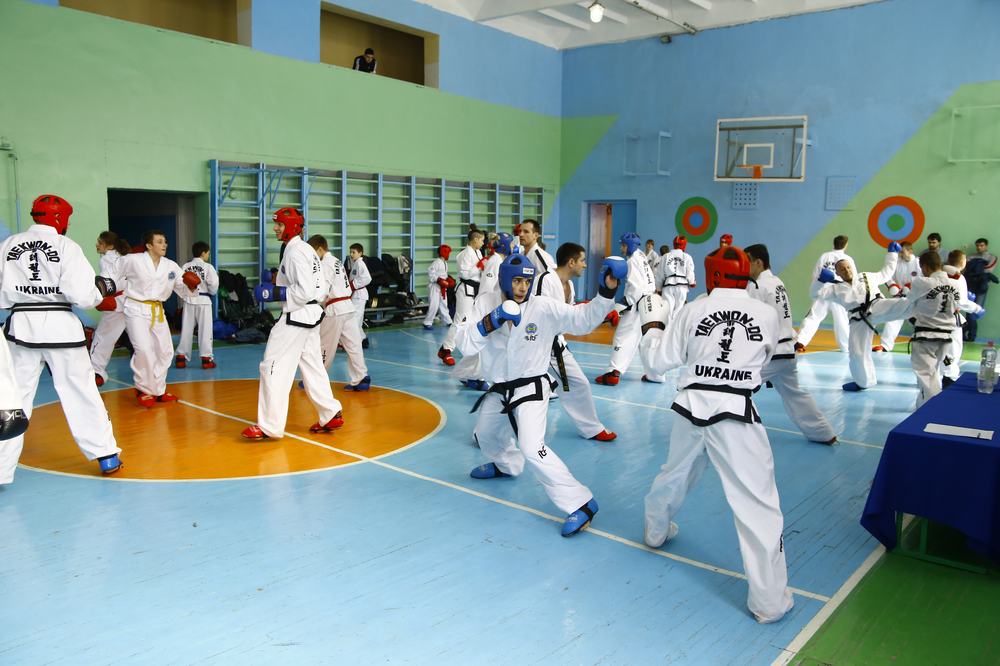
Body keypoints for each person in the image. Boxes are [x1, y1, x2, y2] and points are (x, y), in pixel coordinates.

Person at [636, 244, 793, 624]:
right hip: (736, 412)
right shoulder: (766, 313)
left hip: (691, 407)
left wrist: (652, 327)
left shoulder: (694, 309)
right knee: (757, 504)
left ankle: (655, 532)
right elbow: (765, 359)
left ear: (712, 275)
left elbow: (657, 362)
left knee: (675, 472)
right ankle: (770, 603)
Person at [456, 253, 627, 537]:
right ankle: (507, 465)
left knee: (532, 447)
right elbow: (464, 344)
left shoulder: (543, 307)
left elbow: (582, 320)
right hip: (500, 389)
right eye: (517, 281)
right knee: (485, 435)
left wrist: (606, 292)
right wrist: (489, 322)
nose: (523, 287)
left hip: (531, 387)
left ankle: (582, 503)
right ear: (504, 280)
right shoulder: (485, 303)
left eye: (527, 281)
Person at [0, 194, 121, 483]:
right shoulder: (65, 246)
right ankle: (106, 455)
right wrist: (101, 289)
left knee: (13, 399)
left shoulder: (8, 245)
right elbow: (82, 295)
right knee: (80, 390)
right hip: (61, 329)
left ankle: (1, 468)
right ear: (60, 218)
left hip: (20, 328)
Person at [241, 208, 344, 439]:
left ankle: (269, 425)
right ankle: (330, 413)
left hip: (296, 316)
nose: (275, 228)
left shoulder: (295, 251)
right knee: (312, 366)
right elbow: (315, 286)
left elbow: (304, 290)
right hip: (311, 315)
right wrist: (278, 279)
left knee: (272, 365)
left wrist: (274, 293)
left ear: (292, 226)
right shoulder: (304, 249)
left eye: (279, 224)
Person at [744, 244, 836, 444]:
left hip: (773, 354)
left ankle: (727, 434)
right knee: (794, 394)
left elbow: (749, 321)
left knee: (735, 388)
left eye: (747, 261)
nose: (744, 266)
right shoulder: (777, 282)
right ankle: (824, 433)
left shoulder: (757, 286)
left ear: (758, 262)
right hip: (788, 350)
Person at [533, 242, 616, 441]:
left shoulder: (569, 285)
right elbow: (538, 313)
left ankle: (591, 428)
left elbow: (568, 316)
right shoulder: (545, 280)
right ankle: (487, 432)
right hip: (537, 344)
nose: (585, 265)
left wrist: (597, 310)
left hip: (555, 344)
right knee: (518, 387)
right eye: (582, 260)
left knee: (578, 383)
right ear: (571, 262)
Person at [808, 242, 911, 391]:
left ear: (852, 267)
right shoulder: (835, 289)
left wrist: (892, 254)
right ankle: (863, 382)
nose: (847, 270)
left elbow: (887, 273)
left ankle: (929, 307)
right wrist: (820, 281)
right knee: (856, 351)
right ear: (837, 273)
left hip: (876, 305)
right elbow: (815, 294)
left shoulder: (866, 276)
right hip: (859, 318)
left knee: (902, 304)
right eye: (842, 269)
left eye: (848, 267)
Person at [113, 229, 195, 406]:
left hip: (157, 310)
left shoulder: (171, 266)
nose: (164, 245)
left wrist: (191, 286)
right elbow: (112, 274)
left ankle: (157, 390)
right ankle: (143, 389)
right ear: (149, 246)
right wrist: (103, 292)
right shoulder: (132, 260)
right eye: (159, 242)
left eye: (165, 242)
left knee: (165, 351)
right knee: (143, 349)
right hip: (135, 308)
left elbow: (183, 290)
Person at [307, 235, 370, 391]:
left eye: (313, 253)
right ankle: (361, 377)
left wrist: (312, 300)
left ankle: (315, 379)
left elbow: (323, 288)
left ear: (320, 250)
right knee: (354, 344)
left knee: (324, 346)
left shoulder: (324, 265)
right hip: (348, 307)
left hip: (334, 308)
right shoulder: (336, 261)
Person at [595, 232, 658, 385]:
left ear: (631, 246)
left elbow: (636, 290)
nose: (621, 248)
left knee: (622, 337)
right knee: (647, 341)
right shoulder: (641, 256)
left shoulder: (632, 261)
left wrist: (619, 307)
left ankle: (613, 372)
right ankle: (655, 374)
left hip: (638, 304)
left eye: (623, 246)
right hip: (651, 303)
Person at [906, 252, 967, 409]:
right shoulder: (956, 284)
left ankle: (932, 409)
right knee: (933, 374)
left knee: (927, 377)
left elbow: (910, 299)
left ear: (925, 267)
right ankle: (921, 407)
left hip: (926, 336)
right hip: (946, 337)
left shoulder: (922, 283)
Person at [795, 236, 856, 353]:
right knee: (842, 320)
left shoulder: (825, 256)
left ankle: (800, 341)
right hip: (840, 292)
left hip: (823, 291)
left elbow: (816, 274)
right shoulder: (848, 259)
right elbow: (853, 278)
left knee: (813, 316)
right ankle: (847, 347)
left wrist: (815, 289)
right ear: (845, 245)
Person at [441, 229, 486, 378]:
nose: (483, 243)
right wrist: (479, 266)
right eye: (482, 240)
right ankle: (446, 349)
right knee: (459, 320)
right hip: (466, 289)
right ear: (475, 239)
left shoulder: (478, 253)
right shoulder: (464, 254)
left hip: (476, 289)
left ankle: (468, 348)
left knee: (474, 320)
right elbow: (465, 274)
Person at [89, 231, 131, 387]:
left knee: (103, 337)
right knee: (141, 340)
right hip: (134, 302)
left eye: (100, 242)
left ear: (110, 245)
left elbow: (110, 283)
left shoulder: (106, 259)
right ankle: (151, 373)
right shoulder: (126, 256)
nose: (97, 244)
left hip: (117, 303)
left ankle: (96, 372)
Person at [940, 250, 984, 389]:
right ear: (963, 263)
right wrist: (976, 308)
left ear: (948, 261)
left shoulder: (939, 274)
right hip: (951, 317)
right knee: (953, 348)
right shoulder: (958, 277)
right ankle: (949, 377)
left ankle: (931, 377)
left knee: (936, 348)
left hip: (934, 316)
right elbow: (961, 301)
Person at [175, 241, 220, 370]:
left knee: (186, 329)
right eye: (208, 253)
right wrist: (211, 292)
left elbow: (180, 282)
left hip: (189, 299)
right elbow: (213, 285)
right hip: (204, 300)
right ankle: (206, 359)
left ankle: (180, 357)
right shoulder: (208, 267)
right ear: (203, 253)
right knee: (205, 330)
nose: (208, 256)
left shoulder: (185, 266)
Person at [874, 241, 919, 352]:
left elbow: (926, 278)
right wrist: (893, 286)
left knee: (920, 322)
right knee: (893, 318)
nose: (900, 255)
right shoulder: (897, 263)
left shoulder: (918, 263)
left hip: (918, 297)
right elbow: (888, 277)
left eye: (903, 252)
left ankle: (922, 345)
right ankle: (885, 345)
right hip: (902, 296)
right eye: (900, 253)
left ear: (910, 251)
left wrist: (914, 286)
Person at [963, 238, 998, 342]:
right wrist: (979, 267)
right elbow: (967, 268)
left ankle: (971, 335)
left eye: (981, 245)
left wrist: (975, 268)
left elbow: (989, 269)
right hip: (970, 285)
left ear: (986, 246)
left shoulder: (992, 257)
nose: (979, 247)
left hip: (982, 287)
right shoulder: (971, 256)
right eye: (977, 245)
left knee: (976, 310)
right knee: (968, 310)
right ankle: (966, 334)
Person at [656, 235, 696, 316]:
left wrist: (658, 288)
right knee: (679, 309)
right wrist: (692, 282)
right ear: (684, 245)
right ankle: (676, 324)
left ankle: (668, 324)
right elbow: (690, 272)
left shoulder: (666, 256)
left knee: (667, 309)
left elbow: (660, 274)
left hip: (668, 285)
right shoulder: (687, 257)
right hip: (682, 286)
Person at [424, 244, 454, 342]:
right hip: (435, 286)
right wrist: (439, 280)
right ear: (444, 253)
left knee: (443, 304)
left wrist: (448, 279)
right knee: (434, 305)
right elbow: (431, 274)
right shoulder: (436, 263)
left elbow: (443, 275)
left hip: (442, 287)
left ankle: (447, 321)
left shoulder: (445, 263)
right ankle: (427, 322)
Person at [348, 243, 372, 349]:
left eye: (354, 252)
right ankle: (362, 340)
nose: (351, 254)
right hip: (356, 295)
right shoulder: (356, 264)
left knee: (355, 320)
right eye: (350, 252)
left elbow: (367, 278)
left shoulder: (360, 264)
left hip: (359, 294)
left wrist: (354, 284)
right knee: (355, 319)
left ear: (360, 253)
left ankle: (355, 342)